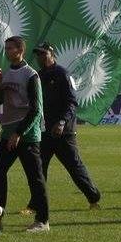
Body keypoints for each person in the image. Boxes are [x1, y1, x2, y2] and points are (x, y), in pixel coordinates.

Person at [0, 35, 49, 233]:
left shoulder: (31, 75)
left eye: (10, 48)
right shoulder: (7, 73)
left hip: (27, 135)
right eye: (6, 48)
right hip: (8, 132)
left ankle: (43, 221)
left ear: (20, 50)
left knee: (35, 178)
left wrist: (19, 132)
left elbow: (36, 109)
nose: (7, 51)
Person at [35, 42, 102, 210]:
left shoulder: (63, 74)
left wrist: (62, 122)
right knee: (38, 167)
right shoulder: (38, 75)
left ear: (52, 54)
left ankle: (93, 197)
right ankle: (36, 204)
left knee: (74, 166)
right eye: (38, 54)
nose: (40, 57)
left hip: (64, 132)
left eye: (43, 53)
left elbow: (72, 102)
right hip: (45, 130)